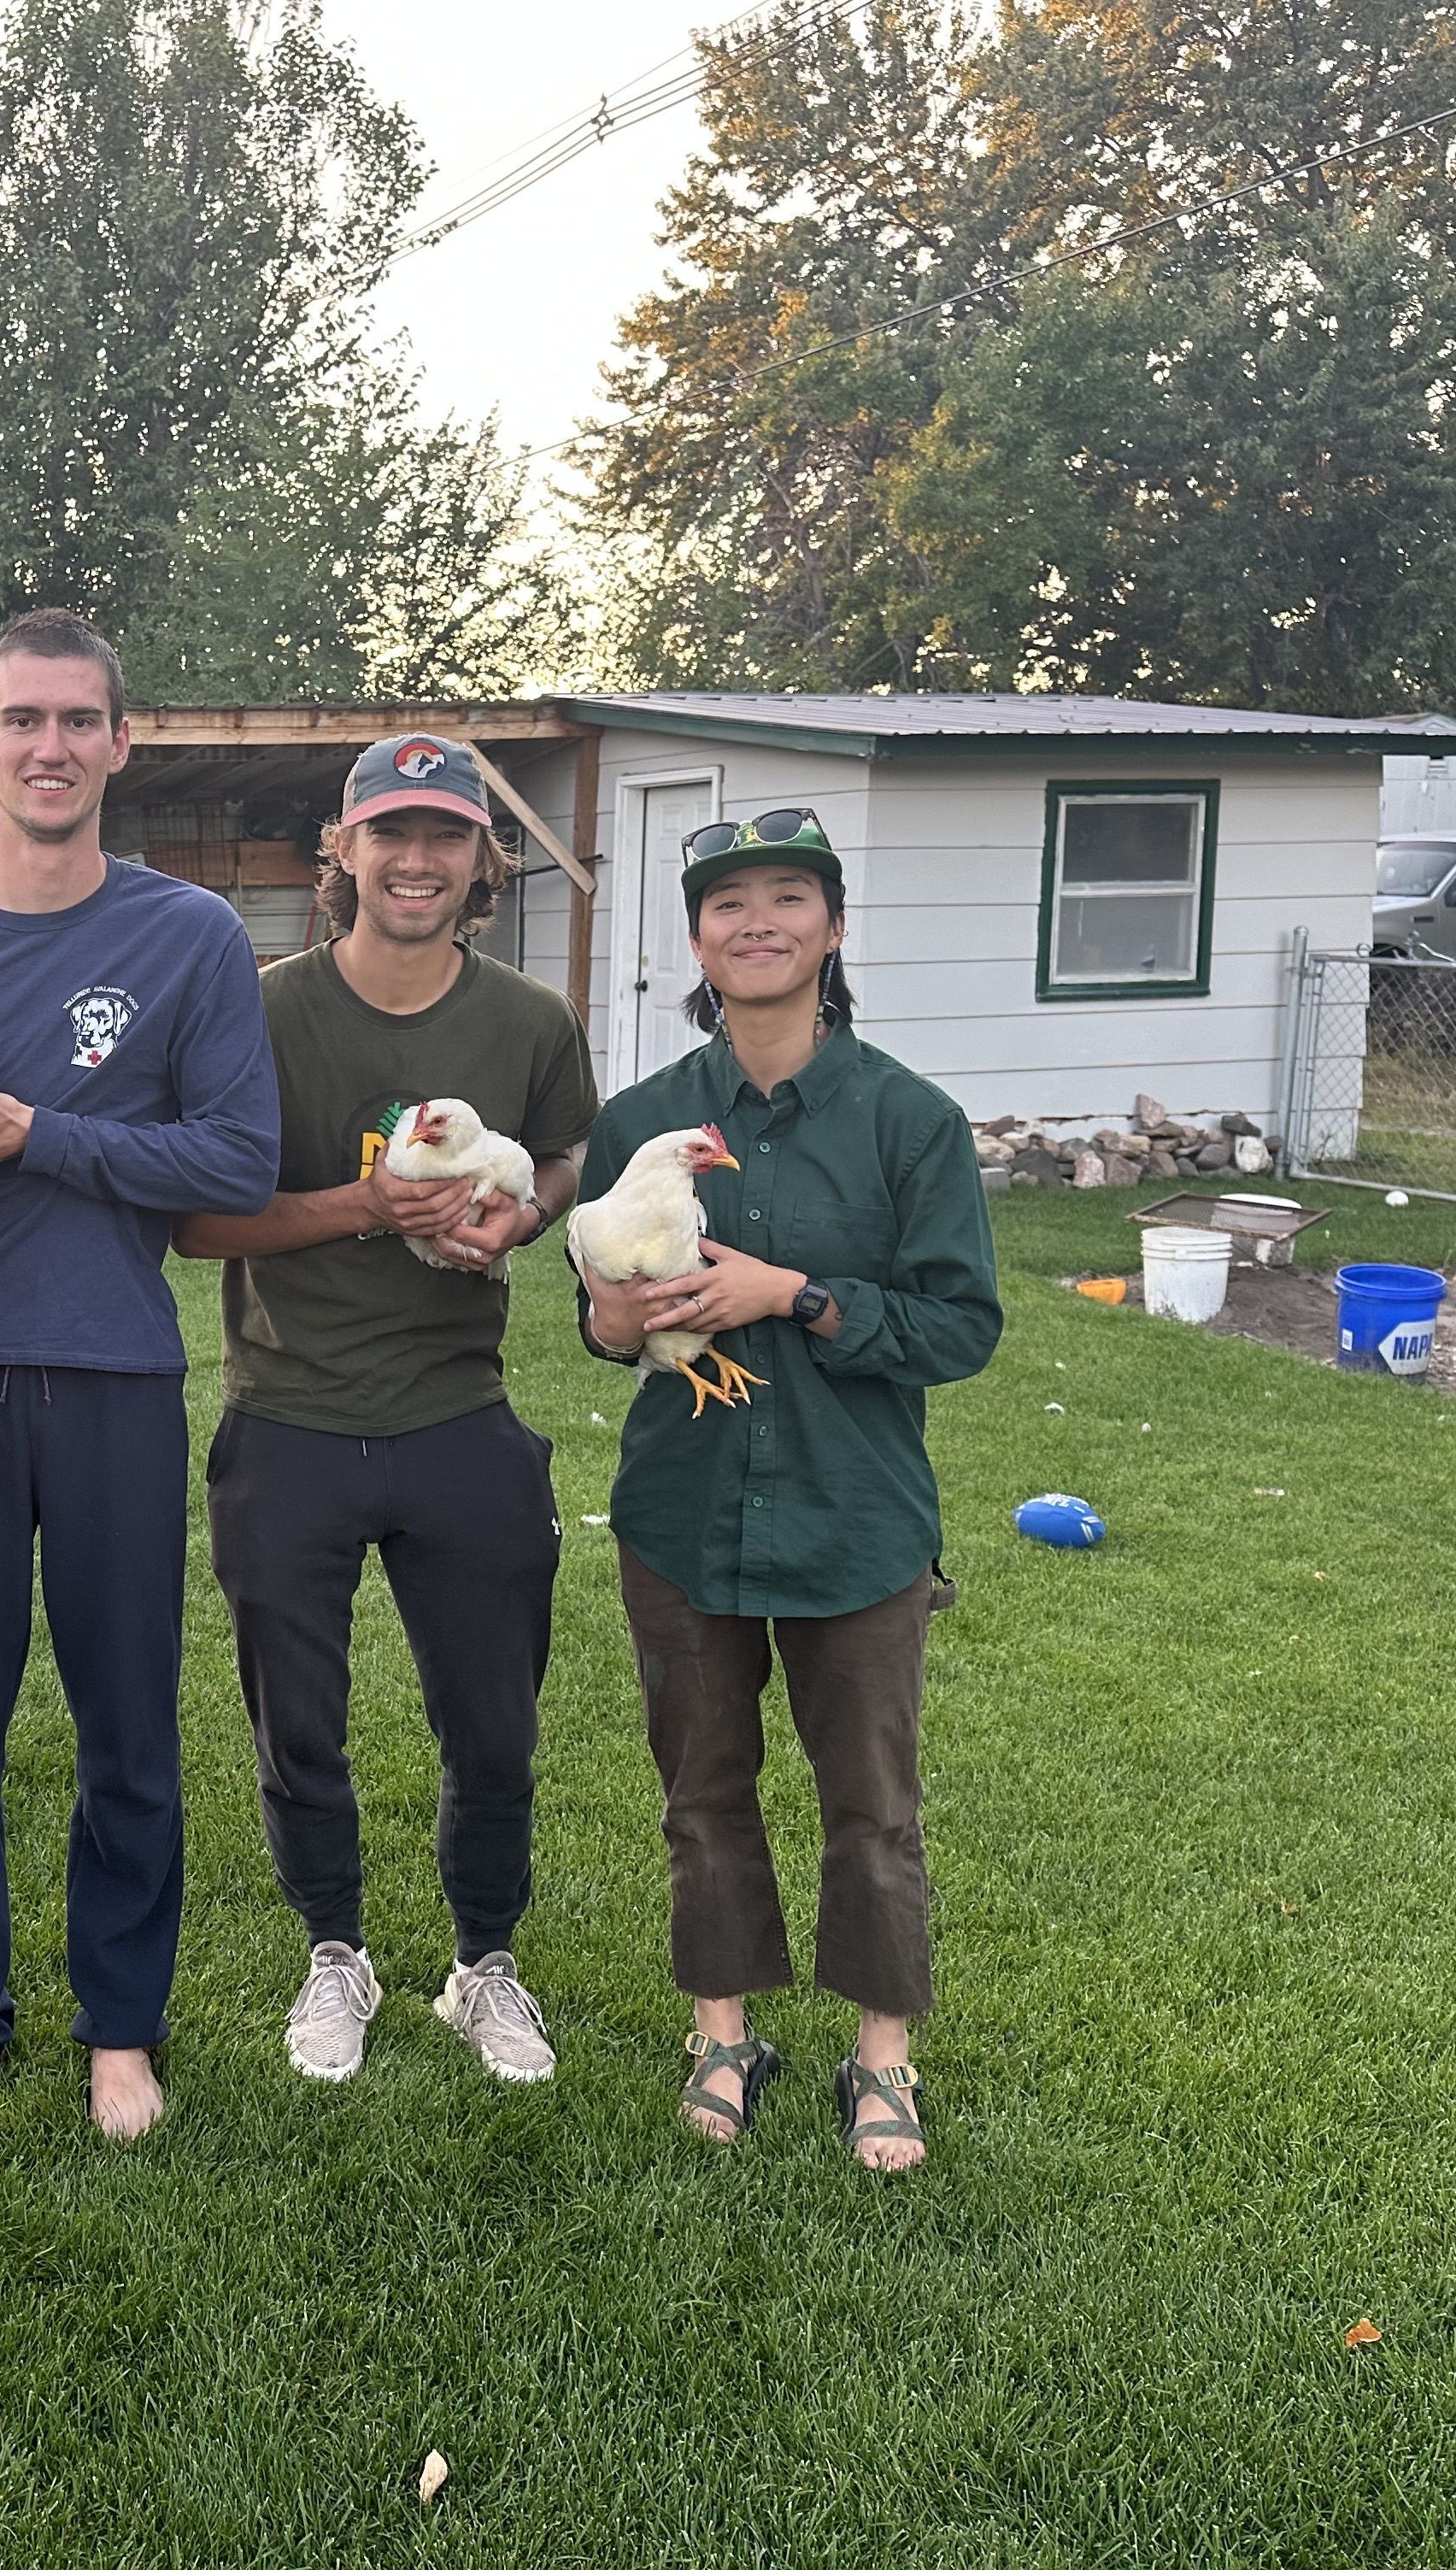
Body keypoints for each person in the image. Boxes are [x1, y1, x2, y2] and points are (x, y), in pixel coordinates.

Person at [0, 609, 279, 2140]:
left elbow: (235, 1158)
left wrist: (43, 1132)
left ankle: (120, 2027)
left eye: (77, 721)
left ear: (119, 742)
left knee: (127, 1720)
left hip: (113, 1372)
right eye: (19, 720)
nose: (48, 748)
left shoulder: (190, 937)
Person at [569, 809, 998, 2172]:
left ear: (832, 927)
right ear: (695, 939)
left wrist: (796, 1296)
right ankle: (723, 2031)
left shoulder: (909, 1123)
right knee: (703, 1787)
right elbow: (598, 1320)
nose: (757, 923)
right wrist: (618, 1328)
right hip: (684, 1511)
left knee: (870, 1799)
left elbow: (960, 1329)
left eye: (788, 897)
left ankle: (882, 2058)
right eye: (727, 904)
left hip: (855, 1514)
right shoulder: (639, 1122)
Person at [173, 733, 595, 2085]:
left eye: (447, 836)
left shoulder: (529, 1021)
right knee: (298, 1721)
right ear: (341, 852)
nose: (417, 861)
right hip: (288, 1412)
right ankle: (335, 1955)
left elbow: (572, 1148)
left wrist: (527, 1213)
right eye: (390, 833)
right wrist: (369, 1206)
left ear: (483, 859)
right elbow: (198, 1220)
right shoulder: (258, 1007)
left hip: (457, 1407)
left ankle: (484, 1965)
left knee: (493, 1722)